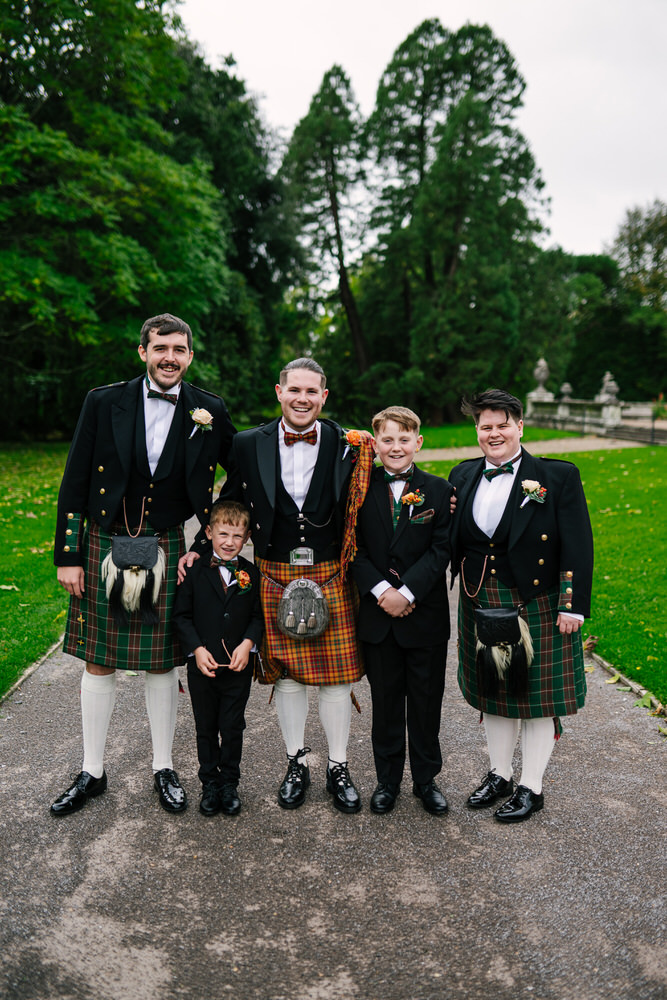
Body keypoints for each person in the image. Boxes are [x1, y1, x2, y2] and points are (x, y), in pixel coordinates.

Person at [51, 313, 235, 816]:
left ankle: (163, 766)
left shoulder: (208, 409)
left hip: (169, 545)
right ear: (143, 352)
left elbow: (241, 471)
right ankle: (91, 770)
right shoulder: (103, 401)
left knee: (163, 660)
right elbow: (73, 482)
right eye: (160, 348)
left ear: (190, 356)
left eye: (179, 349)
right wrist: (69, 555)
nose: (169, 357)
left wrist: (209, 540)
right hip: (104, 543)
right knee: (99, 658)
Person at [194, 358, 371, 813]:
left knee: (337, 679)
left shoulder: (347, 443)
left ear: (324, 397)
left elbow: (373, 490)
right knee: (286, 676)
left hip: (331, 570)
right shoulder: (249, 443)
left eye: (312, 392)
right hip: (273, 570)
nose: (303, 399)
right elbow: (229, 497)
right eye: (295, 390)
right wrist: (200, 545)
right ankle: (296, 761)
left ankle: (338, 765)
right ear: (279, 391)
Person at [449, 389, 593, 823]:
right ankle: (499, 774)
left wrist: (572, 605)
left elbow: (578, 545)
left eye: (502, 425)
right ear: (477, 431)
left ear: (520, 426)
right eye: (485, 426)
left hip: (537, 600)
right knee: (494, 691)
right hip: (481, 598)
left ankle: (532, 785)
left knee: (536, 699)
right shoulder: (462, 474)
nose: (494, 433)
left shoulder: (556, 476)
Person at [351, 407, 453, 815]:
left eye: (404, 439)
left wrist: (407, 592)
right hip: (378, 618)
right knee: (386, 702)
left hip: (423, 615)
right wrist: (382, 591)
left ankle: (426, 780)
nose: (396, 447)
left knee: (426, 703)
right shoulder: (358, 489)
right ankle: (387, 780)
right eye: (388, 440)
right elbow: (351, 549)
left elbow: (441, 548)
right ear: (375, 444)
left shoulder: (439, 489)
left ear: (419, 443)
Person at [172, 500, 263, 817]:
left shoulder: (251, 573)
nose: (229, 542)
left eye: (237, 536)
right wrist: (196, 649)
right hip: (203, 667)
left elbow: (257, 616)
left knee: (233, 726)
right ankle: (209, 784)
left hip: (238, 667)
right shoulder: (194, 572)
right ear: (208, 532)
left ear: (247, 537)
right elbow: (181, 617)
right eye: (223, 534)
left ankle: (229, 784)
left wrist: (248, 643)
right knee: (206, 728)